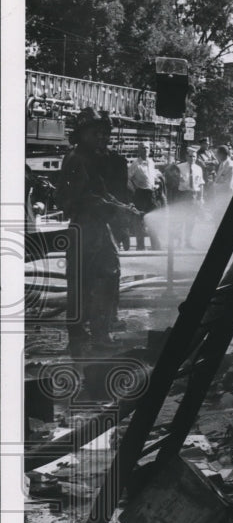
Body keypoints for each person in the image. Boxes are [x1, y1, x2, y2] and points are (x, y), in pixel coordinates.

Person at [56, 108, 140, 354]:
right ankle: (96, 335)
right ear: (82, 134)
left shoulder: (89, 158)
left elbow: (101, 192)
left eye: (105, 133)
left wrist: (122, 208)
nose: (102, 138)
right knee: (101, 276)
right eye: (96, 133)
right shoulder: (77, 160)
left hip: (94, 226)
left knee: (89, 278)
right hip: (87, 227)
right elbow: (83, 198)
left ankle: (86, 332)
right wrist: (115, 209)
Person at [127, 142, 162, 250]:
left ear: (150, 150)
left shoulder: (151, 162)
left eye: (147, 148)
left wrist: (157, 182)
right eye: (143, 148)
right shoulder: (135, 164)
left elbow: (152, 176)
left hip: (151, 194)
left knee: (153, 220)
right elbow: (128, 179)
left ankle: (155, 246)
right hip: (140, 194)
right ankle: (140, 246)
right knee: (140, 221)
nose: (145, 150)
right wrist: (134, 190)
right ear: (139, 150)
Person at [174, 146, 205, 248]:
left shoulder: (198, 168)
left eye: (194, 156)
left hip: (193, 196)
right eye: (190, 156)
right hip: (183, 195)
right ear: (186, 156)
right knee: (180, 219)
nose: (193, 158)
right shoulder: (179, 167)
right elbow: (174, 182)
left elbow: (201, 184)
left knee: (191, 220)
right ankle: (179, 241)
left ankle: (188, 241)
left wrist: (200, 198)